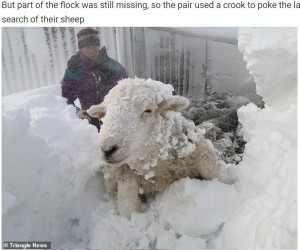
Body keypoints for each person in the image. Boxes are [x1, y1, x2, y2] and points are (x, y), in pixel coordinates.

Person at [61, 27, 128, 131]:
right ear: (81, 48)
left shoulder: (114, 67)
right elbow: (65, 97)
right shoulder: (75, 70)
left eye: (95, 46)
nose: (92, 51)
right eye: (87, 47)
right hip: (89, 125)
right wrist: (76, 112)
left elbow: (127, 91)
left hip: (114, 121)